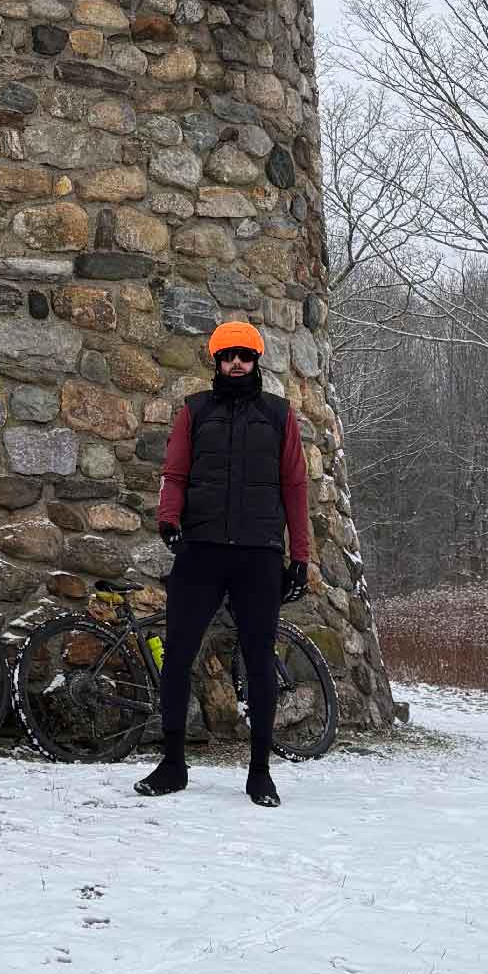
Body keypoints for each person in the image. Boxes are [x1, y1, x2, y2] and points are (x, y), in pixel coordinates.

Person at [137, 321, 312, 805]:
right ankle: (172, 764)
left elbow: (296, 489)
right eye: (228, 355)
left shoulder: (279, 415)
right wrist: (169, 519)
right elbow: (174, 471)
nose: (237, 363)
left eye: (245, 355)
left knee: (259, 662)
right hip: (201, 550)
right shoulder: (195, 411)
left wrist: (300, 556)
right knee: (177, 657)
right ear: (216, 361)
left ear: (257, 361)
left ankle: (260, 772)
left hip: (258, 556)